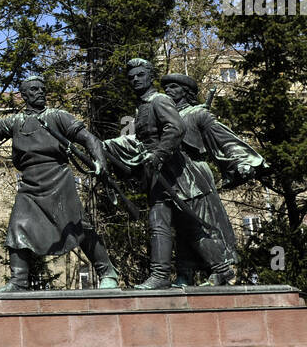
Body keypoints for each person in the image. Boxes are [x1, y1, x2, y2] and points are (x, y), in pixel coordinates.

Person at [0, 74, 121, 294]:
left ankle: (107, 271)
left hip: (59, 179)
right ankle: (19, 280)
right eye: (33, 89)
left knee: (78, 226)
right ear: (24, 95)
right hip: (30, 184)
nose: (40, 92)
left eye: (42, 88)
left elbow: (89, 139)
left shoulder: (58, 116)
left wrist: (100, 162)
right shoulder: (16, 122)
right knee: (17, 226)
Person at [104, 58, 221, 289]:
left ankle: (221, 269)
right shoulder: (142, 107)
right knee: (159, 223)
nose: (135, 80)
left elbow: (175, 128)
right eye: (131, 77)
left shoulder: (159, 100)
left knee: (189, 225)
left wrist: (158, 155)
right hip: (157, 174)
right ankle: (160, 275)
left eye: (140, 75)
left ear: (149, 77)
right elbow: (141, 141)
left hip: (175, 172)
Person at [161, 73, 266, 285]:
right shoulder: (164, 117)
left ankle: (221, 268)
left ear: (185, 91)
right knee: (180, 225)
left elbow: (224, 139)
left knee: (198, 223)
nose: (167, 91)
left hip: (194, 174)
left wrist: (240, 161)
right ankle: (185, 272)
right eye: (166, 87)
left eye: (173, 87)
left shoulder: (198, 114)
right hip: (172, 175)